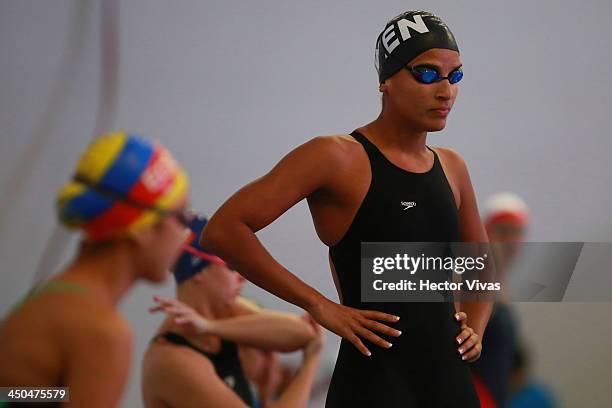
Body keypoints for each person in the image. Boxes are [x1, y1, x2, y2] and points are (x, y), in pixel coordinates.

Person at [201, 10, 493, 407]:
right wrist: (320, 306)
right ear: (386, 81)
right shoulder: (336, 157)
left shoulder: (452, 166)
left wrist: (475, 326)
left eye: (454, 75)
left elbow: (481, 263)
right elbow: (224, 229)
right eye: (426, 74)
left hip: (450, 383)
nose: (445, 91)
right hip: (375, 383)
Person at [0, 131, 191, 407]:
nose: (186, 235)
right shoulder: (102, 332)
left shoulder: (53, 295)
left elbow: (13, 392)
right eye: (181, 216)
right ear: (142, 228)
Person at [142, 214, 324, 408]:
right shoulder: (172, 359)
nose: (242, 277)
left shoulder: (227, 311)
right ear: (198, 272)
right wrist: (310, 362)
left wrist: (210, 327)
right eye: (231, 266)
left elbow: (302, 332)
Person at [472, 192, 529, 407]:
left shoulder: (502, 288)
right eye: (503, 232)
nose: (511, 241)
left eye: (517, 233)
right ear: (484, 233)